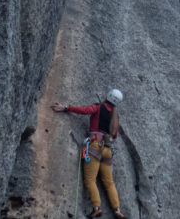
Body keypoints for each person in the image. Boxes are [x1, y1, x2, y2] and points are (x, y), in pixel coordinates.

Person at [51, 89, 125, 219]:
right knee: (109, 183)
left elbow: (84, 111)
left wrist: (66, 107)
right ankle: (117, 211)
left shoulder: (98, 107)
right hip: (108, 150)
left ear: (108, 95)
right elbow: (114, 135)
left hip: (95, 146)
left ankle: (96, 208)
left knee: (90, 180)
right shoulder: (115, 116)